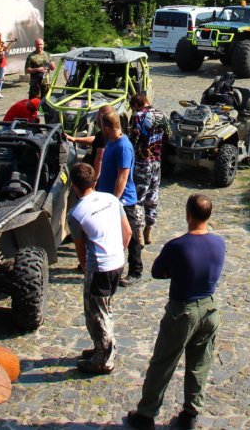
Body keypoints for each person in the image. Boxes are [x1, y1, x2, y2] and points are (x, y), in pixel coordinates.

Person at [124, 194, 226, 430]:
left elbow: (157, 272)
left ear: (187, 215)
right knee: (200, 363)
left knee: (163, 362)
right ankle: (190, 414)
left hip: (183, 310)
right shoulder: (219, 243)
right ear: (209, 216)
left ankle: (146, 414)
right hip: (210, 308)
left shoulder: (177, 246)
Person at [68, 162, 132, 375]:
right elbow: (128, 232)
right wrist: (118, 252)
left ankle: (104, 358)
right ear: (94, 181)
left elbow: (81, 250)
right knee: (105, 308)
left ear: (73, 186)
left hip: (99, 268)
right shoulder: (111, 199)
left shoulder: (76, 214)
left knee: (96, 314)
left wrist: (86, 270)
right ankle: (101, 347)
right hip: (118, 262)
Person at [96, 111, 140, 286]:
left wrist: (115, 200)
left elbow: (123, 176)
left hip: (123, 200)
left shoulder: (123, 146)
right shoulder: (112, 142)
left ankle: (135, 271)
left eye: (102, 126)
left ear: (107, 127)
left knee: (131, 235)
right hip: (110, 198)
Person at [128, 93, 169, 245]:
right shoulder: (162, 114)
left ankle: (139, 232)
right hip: (156, 161)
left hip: (142, 162)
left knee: (138, 198)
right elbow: (169, 135)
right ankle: (149, 230)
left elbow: (134, 139)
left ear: (136, 105)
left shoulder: (138, 116)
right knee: (153, 196)